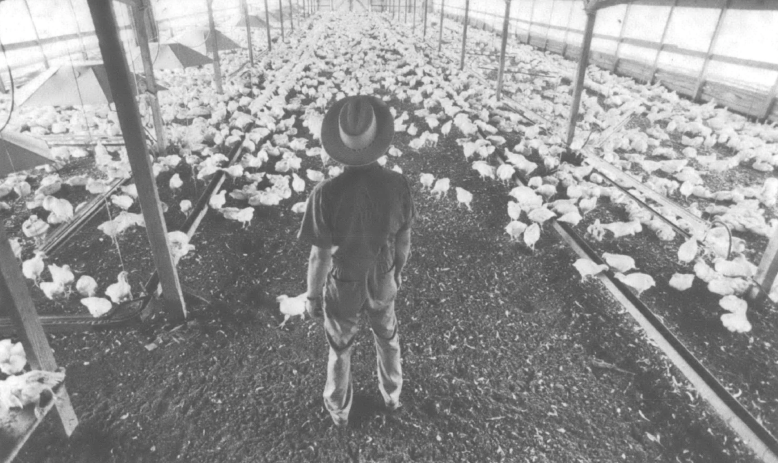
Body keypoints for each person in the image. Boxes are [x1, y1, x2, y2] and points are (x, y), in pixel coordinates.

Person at [298, 95, 415, 427]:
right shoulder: (397, 184)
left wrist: (312, 296)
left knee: (340, 346)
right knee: (388, 337)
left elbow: (319, 255)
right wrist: (397, 271)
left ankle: (339, 409)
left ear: (340, 146)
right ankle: (392, 396)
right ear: (378, 141)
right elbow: (403, 239)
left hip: (345, 280)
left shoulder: (325, 193)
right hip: (382, 276)